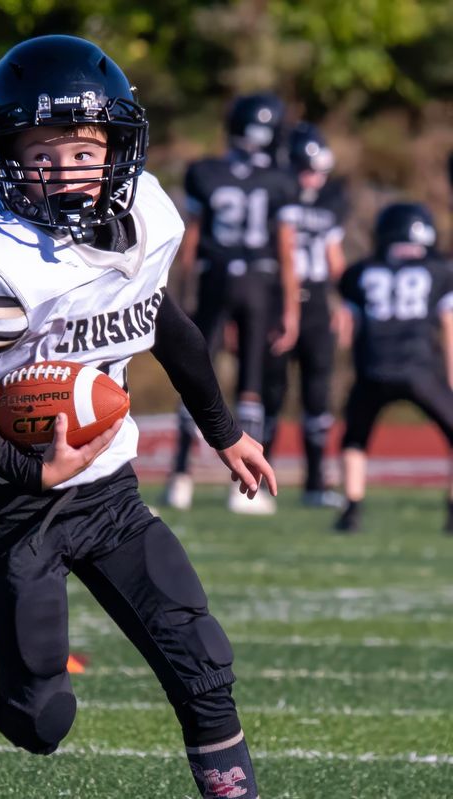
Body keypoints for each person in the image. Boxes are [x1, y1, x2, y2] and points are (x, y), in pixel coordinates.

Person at [0, 36, 275, 799]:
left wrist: (224, 431)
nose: (67, 168)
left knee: (202, 665)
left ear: (119, 148)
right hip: (16, 503)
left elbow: (169, 327)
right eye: (43, 150)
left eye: (86, 149)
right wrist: (37, 468)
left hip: (110, 495)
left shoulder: (147, 218)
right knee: (40, 718)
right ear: (6, 155)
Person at [164, 93, 300, 514]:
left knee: (195, 372)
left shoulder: (205, 171)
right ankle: (245, 487)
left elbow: (191, 240)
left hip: (214, 279)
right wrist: (291, 307)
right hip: (259, 281)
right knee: (252, 383)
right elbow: (286, 249)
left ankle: (180, 477)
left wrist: (182, 295)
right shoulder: (280, 179)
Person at [334, 202, 453, 533]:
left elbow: (346, 331)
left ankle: (351, 510)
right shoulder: (440, 270)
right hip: (420, 368)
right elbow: (448, 325)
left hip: (373, 367)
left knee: (354, 439)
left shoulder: (359, 273)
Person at [261, 123, 348, 507]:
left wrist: (344, 304)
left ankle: (315, 484)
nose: (314, 179)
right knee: (272, 394)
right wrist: (287, 311)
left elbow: (334, 261)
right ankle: (258, 482)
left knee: (318, 395)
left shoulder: (327, 204)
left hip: (314, 305)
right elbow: (282, 259)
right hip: (279, 302)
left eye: (320, 172)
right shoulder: (276, 201)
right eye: (308, 170)